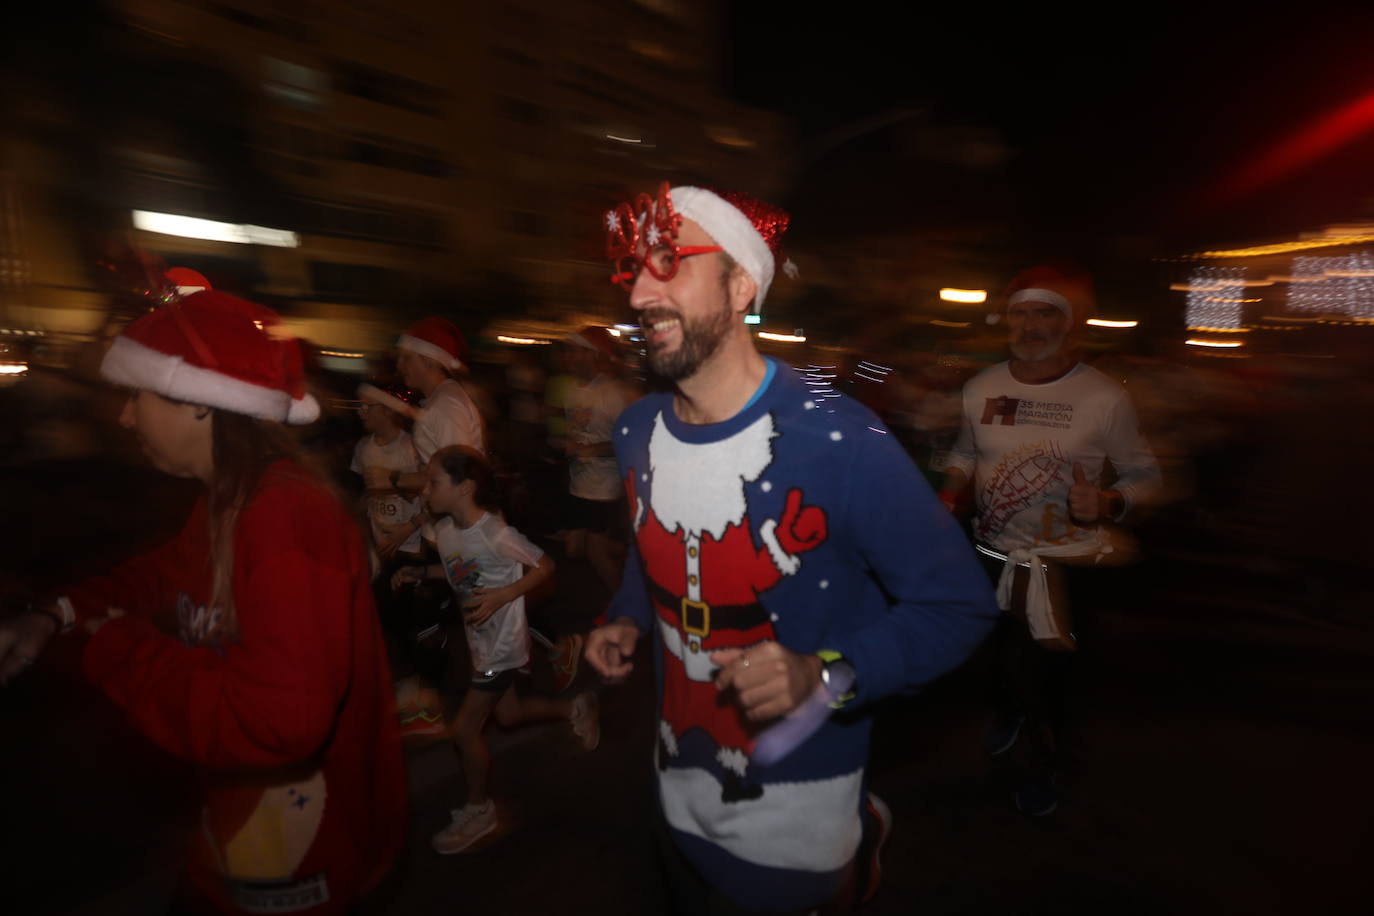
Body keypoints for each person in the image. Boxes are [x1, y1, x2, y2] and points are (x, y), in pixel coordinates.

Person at [584, 183, 998, 914]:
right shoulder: (635, 430)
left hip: (792, 829)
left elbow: (959, 608)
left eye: (668, 261)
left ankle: (858, 842)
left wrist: (826, 672)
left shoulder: (840, 439)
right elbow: (650, 547)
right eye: (634, 272)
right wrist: (627, 617)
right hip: (672, 788)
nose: (641, 292)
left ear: (740, 283)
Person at [0, 270, 405, 914]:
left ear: (197, 399)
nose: (126, 417)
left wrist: (114, 647)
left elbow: (278, 722)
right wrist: (58, 614)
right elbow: (160, 574)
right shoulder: (229, 499)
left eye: (140, 396)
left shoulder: (283, 520)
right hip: (238, 841)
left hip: (297, 865)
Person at [937, 265, 1162, 816]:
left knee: (1056, 681)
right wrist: (951, 491)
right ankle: (1008, 708)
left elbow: (1147, 476)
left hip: (1062, 565)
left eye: (1045, 312)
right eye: (1020, 312)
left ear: (1070, 323)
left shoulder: (1103, 397)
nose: (1030, 324)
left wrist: (1110, 502)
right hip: (988, 552)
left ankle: (1049, 768)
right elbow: (966, 452)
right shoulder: (981, 387)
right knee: (990, 657)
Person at [393, 445, 599, 855]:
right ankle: (575, 706)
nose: (425, 489)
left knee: (465, 728)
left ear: (465, 487)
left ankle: (479, 809)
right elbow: (459, 574)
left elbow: (545, 566)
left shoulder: (494, 532)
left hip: (501, 645)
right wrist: (420, 571)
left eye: (434, 482)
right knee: (509, 715)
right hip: (480, 641)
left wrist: (505, 593)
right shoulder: (448, 530)